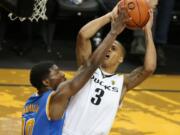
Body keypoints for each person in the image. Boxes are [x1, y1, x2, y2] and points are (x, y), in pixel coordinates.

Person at [22, 5, 128, 135]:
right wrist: (113, 32)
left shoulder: (30, 102)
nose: (63, 74)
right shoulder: (57, 97)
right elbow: (91, 65)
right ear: (46, 82)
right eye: (56, 73)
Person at [62, 3, 157, 135]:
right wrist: (110, 16)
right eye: (107, 46)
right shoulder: (87, 68)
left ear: (121, 58)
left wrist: (147, 31)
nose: (108, 49)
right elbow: (83, 36)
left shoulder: (123, 83)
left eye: (114, 49)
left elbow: (149, 68)